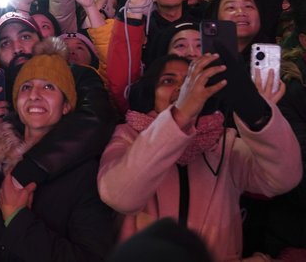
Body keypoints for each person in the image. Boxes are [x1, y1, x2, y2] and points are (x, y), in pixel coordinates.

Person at [97, 53, 302, 262]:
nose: (183, 88)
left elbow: (284, 178)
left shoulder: (223, 143)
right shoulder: (127, 136)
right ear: (151, 91)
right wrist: (180, 115)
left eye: (190, 81)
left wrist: (258, 118)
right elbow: (120, 196)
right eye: (168, 80)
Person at [0, 38, 116, 261]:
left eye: (48, 86)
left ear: (66, 105)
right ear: (17, 102)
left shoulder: (85, 174)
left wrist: (18, 221)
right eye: (26, 87)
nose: (35, 95)